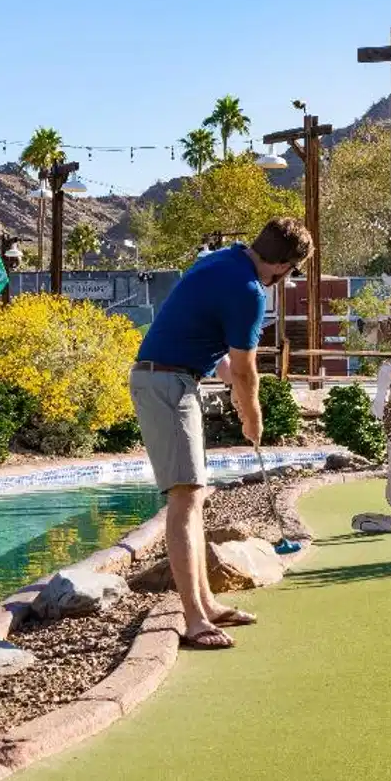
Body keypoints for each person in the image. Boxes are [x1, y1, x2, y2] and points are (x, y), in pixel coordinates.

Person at [129, 217, 312, 650]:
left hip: (172, 378)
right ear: (284, 267)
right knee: (185, 497)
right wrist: (253, 417)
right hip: (167, 385)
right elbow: (246, 371)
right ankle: (193, 619)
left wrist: (234, 386)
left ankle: (206, 605)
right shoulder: (248, 291)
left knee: (194, 496)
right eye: (291, 273)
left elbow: (217, 354)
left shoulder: (222, 260)